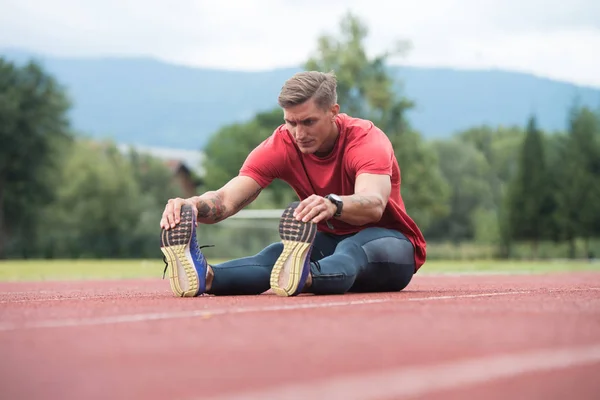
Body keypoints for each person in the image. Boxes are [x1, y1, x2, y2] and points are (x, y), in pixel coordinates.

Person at [159, 71, 427, 298]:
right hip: (328, 242)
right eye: (291, 122)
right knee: (275, 255)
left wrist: (333, 204)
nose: (299, 134)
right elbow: (226, 200)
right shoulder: (282, 144)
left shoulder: (366, 140)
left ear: (333, 112)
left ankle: (305, 277)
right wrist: (193, 206)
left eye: (309, 122)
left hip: (390, 246)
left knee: (350, 250)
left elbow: (374, 204)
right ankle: (205, 277)